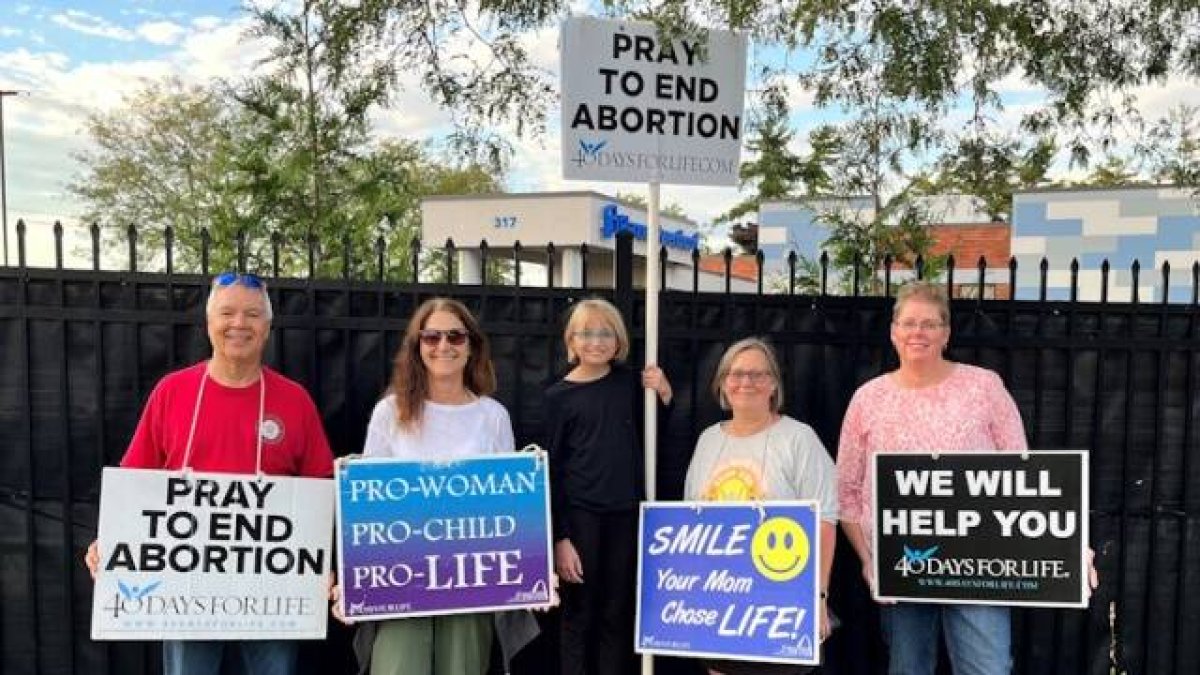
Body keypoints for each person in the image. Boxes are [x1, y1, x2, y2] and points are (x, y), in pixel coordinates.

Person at [84, 271, 335, 675]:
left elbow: (320, 486)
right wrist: (110, 543)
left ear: (267, 327)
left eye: (252, 315)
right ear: (209, 323)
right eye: (228, 313)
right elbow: (136, 480)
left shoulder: (294, 400)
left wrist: (321, 558)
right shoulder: (172, 391)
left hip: (274, 587)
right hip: (186, 586)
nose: (239, 324)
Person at [836, 281, 1025, 675]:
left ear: (946, 333)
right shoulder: (868, 398)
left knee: (987, 667)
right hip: (901, 561)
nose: (917, 332)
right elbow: (847, 491)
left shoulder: (984, 387)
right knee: (909, 668)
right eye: (907, 323)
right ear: (893, 332)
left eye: (929, 324)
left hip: (980, 561)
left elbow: (1021, 471)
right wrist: (869, 560)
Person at [345, 297, 538, 675]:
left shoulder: (493, 416)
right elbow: (367, 504)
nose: (444, 346)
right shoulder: (390, 412)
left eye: (455, 336)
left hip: (472, 581)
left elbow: (512, 508)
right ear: (417, 347)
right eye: (431, 337)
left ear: (472, 346)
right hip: (402, 578)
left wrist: (531, 569)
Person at [684, 337, 837, 675]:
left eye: (757, 374)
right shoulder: (709, 439)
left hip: (781, 600)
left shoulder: (799, 438)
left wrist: (819, 599)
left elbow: (824, 522)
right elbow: (691, 519)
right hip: (721, 601)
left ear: (773, 384)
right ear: (723, 384)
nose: (745, 382)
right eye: (735, 374)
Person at [542, 298, 673, 675]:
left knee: (617, 614)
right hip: (580, 518)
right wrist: (560, 537)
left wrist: (663, 393)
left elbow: (656, 438)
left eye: (605, 333)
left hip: (627, 515)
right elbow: (551, 470)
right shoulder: (557, 396)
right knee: (578, 615)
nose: (596, 341)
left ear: (618, 341)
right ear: (571, 340)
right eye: (586, 333)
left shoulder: (632, 384)